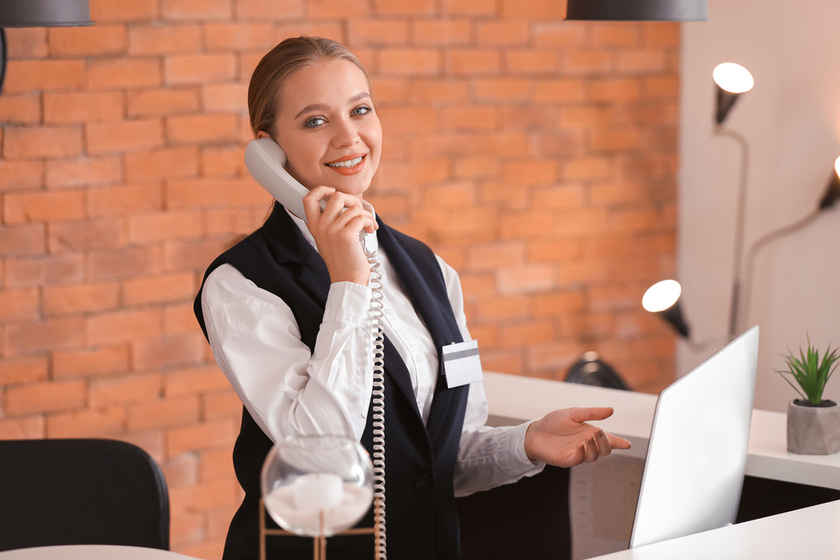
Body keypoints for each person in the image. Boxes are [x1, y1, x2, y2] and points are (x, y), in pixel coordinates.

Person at [194, 36, 631, 560]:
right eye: (315, 121)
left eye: (360, 110)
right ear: (268, 151)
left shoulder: (429, 269)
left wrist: (526, 441)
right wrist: (348, 281)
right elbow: (319, 450)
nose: (349, 137)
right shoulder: (242, 284)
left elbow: (441, 460)